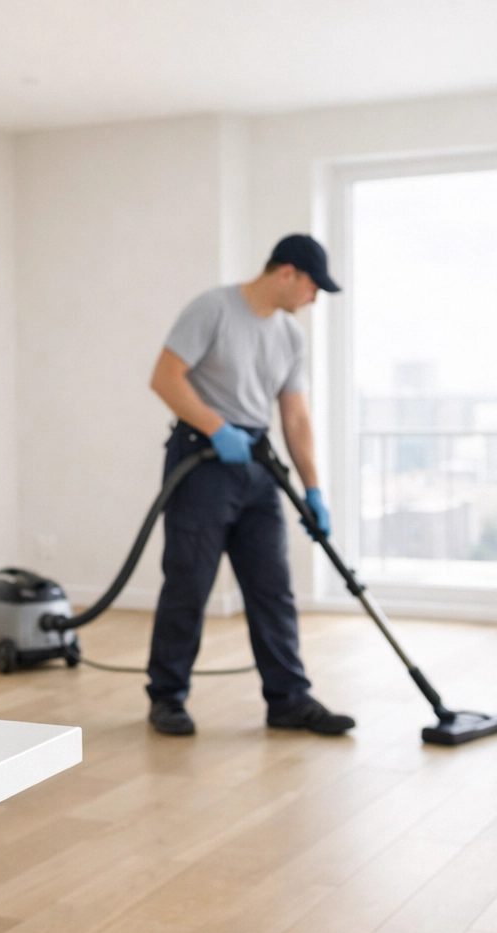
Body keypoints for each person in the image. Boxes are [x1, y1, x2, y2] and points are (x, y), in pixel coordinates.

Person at [145, 234, 355, 738]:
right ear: (287, 273)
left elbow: (296, 417)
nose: (314, 298)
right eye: (312, 286)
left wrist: (313, 491)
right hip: (202, 458)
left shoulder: (290, 336)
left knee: (272, 586)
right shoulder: (212, 308)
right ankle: (167, 698)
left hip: (257, 463)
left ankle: (289, 699)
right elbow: (165, 378)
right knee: (189, 581)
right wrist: (217, 427)